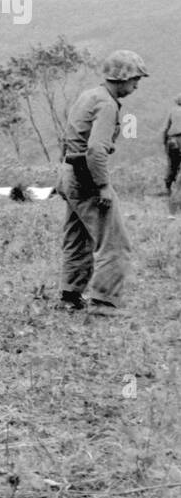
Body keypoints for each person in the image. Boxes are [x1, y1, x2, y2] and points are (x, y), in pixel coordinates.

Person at [57, 49, 148, 314]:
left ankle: (70, 296)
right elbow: (96, 150)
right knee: (114, 241)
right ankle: (105, 301)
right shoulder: (107, 105)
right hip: (85, 176)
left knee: (77, 237)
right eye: (135, 80)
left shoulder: (90, 95)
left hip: (68, 172)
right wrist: (103, 186)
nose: (136, 86)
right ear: (123, 78)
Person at [164, 94, 181, 197]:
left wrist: (165, 142)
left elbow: (166, 128)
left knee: (172, 165)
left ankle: (168, 188)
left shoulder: (172, 111)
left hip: (173, 140)